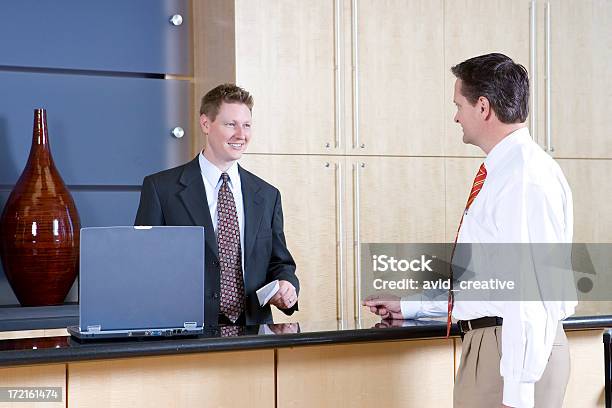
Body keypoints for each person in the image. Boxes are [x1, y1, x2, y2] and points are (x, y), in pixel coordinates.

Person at [364, 53, 576, 408]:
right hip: (499, 349)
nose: (455, 116)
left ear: (483, 107)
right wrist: (412, 308)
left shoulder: (523, 177)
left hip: (510, 356)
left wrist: (519, 392)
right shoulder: (508, 171)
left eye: (458, 104)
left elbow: (530, 291)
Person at [135, 84, 299, 326]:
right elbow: (144, 264)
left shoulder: (266, 195)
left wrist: (287, 286)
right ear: (205, 124)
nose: (241, 134)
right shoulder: (161, 189)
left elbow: (280, 262)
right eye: (230, 124)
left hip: (254, 334)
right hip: (186, 332)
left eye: (247, 125)